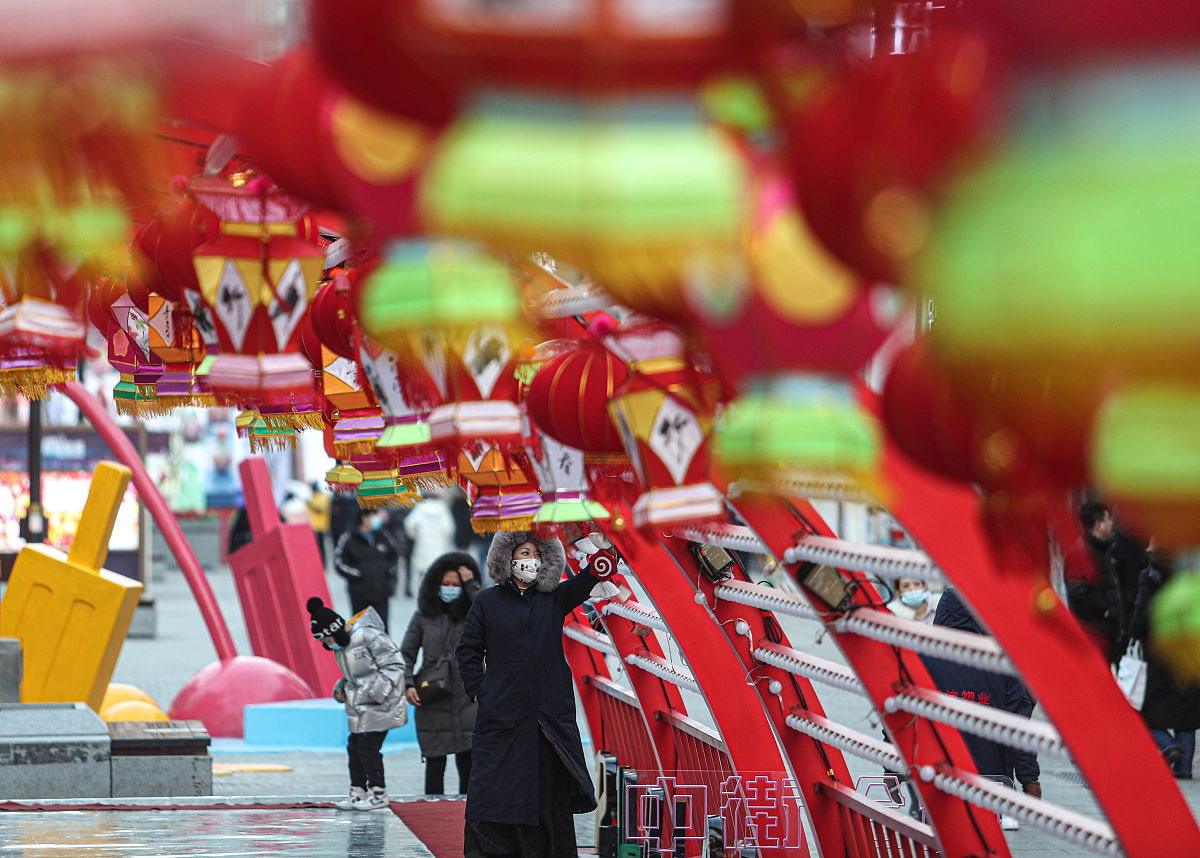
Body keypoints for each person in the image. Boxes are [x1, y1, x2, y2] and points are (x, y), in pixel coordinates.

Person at [456, 530, 612, 858]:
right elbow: (468, 650)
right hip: (502, 715)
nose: (530, 561)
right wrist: (480, 691)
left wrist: (609, 549)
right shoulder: (487, 601)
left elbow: (591, 577)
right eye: (524, 553)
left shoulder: (553, 597)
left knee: (547, 791)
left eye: (537, 554)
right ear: (507, 558)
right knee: (497, 787)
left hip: (547, 719)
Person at [920, 589, 1041, 830]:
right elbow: (1019, 723)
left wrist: (890, 768)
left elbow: (899, 716)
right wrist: (1029, 779)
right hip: (988, 776)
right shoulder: (998, 663)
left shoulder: (920, 659)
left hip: (932, 771)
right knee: (983, 838)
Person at [307, 597, 408, 811]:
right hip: (361, 706)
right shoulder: (342, 648)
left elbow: (395, 665)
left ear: (335, 630)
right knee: (354, 747)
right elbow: (355, 675)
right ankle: (358, 790)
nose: (327, 645)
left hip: (381, 704)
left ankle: (379, 792)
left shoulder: (368, 637)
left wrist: (375, 693)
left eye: (327, 639)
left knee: (369, 748)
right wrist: (341, 688)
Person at [401, 551, 482, 795]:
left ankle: (469, 823)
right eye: (446, 584)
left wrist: (471, 586)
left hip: (469, 698)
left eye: (456, 585)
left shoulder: (475, 615)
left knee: (468, 765)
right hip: (433, 697)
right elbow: (405, 655)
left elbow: (494, 616)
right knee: (435, 765)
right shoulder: (422, 617)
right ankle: (432, 820)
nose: (450, 589)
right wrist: (407, 684)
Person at [1127, 555, 1200, 779]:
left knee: (1145, 713)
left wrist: (1133, 632)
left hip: (1159, 654)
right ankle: (1184, 769)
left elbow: (1141, 620)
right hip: (1188, 652)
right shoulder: (1191, 577)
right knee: (1186, 715)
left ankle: (1168, 747)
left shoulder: (1149, 577)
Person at [1062, 501, 1125, 664]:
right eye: (1108, 519)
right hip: (1094, 636)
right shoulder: (1081, 553)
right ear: (1098, 525)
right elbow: (1079, 594)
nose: (1112, 522)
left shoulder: (1101, 551)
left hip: (1106, 635)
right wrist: (1107, 610)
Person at [334, 508, 400, 633]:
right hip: (360, 594)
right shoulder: (349, 538)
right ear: (364, 518)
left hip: (381, 593)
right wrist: (360, 574)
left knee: (382, 631)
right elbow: (339, 562)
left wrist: (386, 573)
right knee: (362, 632)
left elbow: (394, 557)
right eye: (373, 515)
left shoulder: (383, 537)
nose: (377, 519)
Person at [404, 492, 457, 598]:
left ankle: (424, 592)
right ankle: (435, 593)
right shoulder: (443, 509)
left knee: (423, 571)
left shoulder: (420, 508)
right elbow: (449, 528)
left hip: (422, 546)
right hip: (438, 547)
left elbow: (409, 523)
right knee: (437, 571)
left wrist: (414, 535)